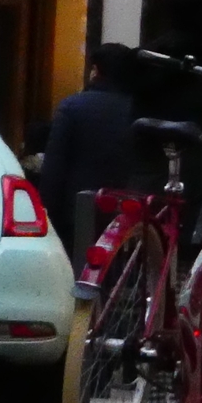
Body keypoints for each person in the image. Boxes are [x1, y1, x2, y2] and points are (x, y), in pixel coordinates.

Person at [38, 44, 139, 258]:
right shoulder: (139, 110)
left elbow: (54, 166)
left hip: (76, 211)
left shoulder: (72, 107)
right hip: (126, 211)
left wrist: (46, 211)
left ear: (95, 70)